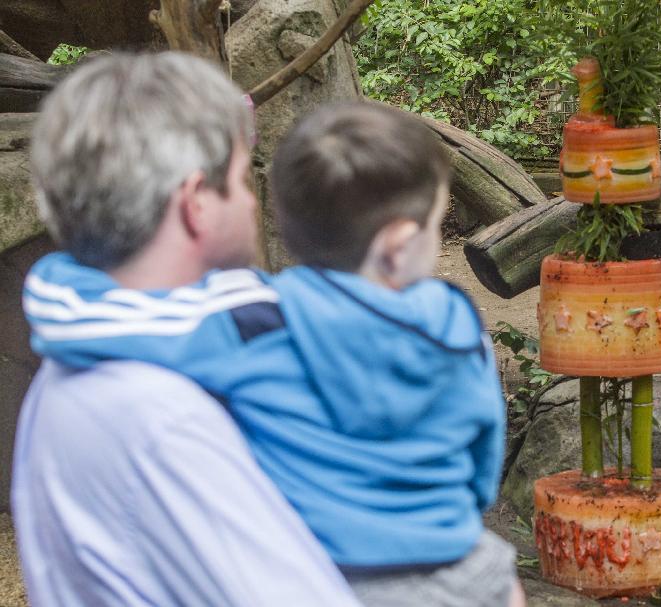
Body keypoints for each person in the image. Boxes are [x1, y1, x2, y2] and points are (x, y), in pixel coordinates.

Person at [25, 102, 526, 607]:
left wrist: (60, 281)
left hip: (334, 573)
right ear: (399, 242)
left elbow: (134, 324)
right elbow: (483, 468)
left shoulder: (260, 318)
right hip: (465, 571)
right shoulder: (461, 327)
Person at [13, 52, 362, 606]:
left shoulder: (68, 359)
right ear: (197, 202)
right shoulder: (163, 417)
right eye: (243, 180)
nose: (253, 201)